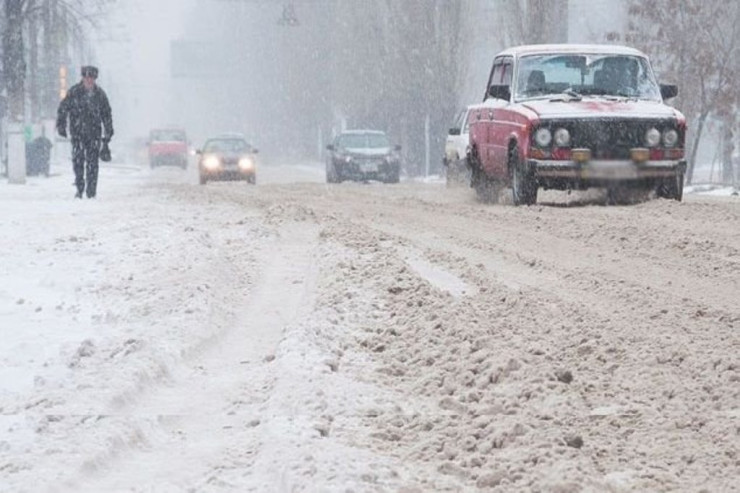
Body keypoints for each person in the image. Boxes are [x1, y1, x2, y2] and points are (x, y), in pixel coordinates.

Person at [56, 65, 114, 199]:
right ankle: (80, 187)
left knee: (93, 163)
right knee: (78, 161)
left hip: (94, 134)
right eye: (86, 77)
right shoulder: (74, 92)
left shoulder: (100, 95)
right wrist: (61, 126)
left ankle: (91, 191)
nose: (89, 80)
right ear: (82, 78)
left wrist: (108, 132)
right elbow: (63, 108)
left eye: (91, 78)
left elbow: (107, 114)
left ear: (95, 79)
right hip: (77, 134)